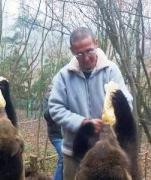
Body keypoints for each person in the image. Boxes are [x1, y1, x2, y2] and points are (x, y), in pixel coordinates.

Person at [48, 27, 133, 180]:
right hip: (75, 152)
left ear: (96, 43)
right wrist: (83, 123)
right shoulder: (64, 75)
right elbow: (55, 108)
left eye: (89, 51)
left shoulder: (111, 70)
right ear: (72, 50)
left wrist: (115, 113)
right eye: (79, 54)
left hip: (109, 155)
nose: (86, 58)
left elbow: (127, 102)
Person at [43, 86, 63, 180]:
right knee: (63, 157)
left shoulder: (64, 96)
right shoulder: (48, 98)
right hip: (55, 135)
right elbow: (47, 116)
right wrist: (52, 101)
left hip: (68, 134)